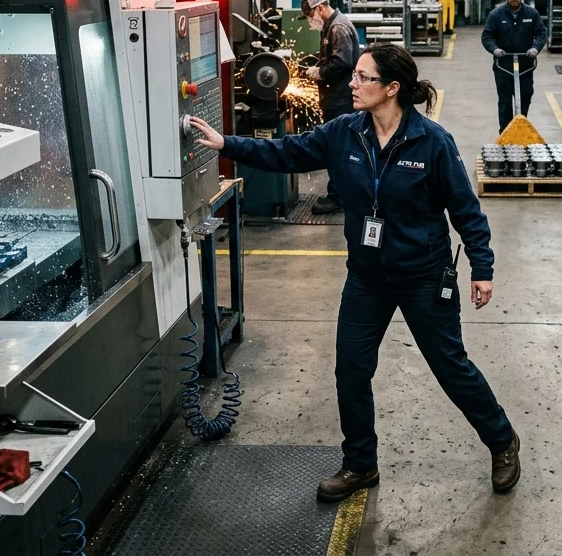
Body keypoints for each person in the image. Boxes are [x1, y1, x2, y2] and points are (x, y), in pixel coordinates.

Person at [189, 44, 521, 502]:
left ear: (392, 88)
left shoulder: (432, 142)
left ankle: (502, 440)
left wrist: (481, 267)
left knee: (450, 367)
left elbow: (465, 210)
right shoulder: (344, 133)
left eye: (364, 77)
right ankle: (360, 464)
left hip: (423, 275)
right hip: (367, 277)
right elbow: (288, 152)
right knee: (351, 369)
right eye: (356, 76)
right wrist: (228, 144)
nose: (353, 83)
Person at [302, 0, 361, 214]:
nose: (309, 21)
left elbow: (342, 62)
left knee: (337, 147)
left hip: (340, 100)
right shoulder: (332, 25)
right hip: (336, 98)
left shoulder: (338, 28)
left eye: (309, 15)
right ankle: (343, 192)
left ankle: (337, 197)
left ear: (319, 8)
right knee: (340, 145)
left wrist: (319, 72)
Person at [481, 0, 548, 132]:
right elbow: (487, 36)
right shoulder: (496, 14)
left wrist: (535, 48)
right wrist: (495, 49)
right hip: (503, 65)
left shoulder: (532, 13)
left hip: (525, 65)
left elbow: (541, 34)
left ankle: (520, 129)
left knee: (525, 96)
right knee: (505, 101)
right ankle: (505, 133)